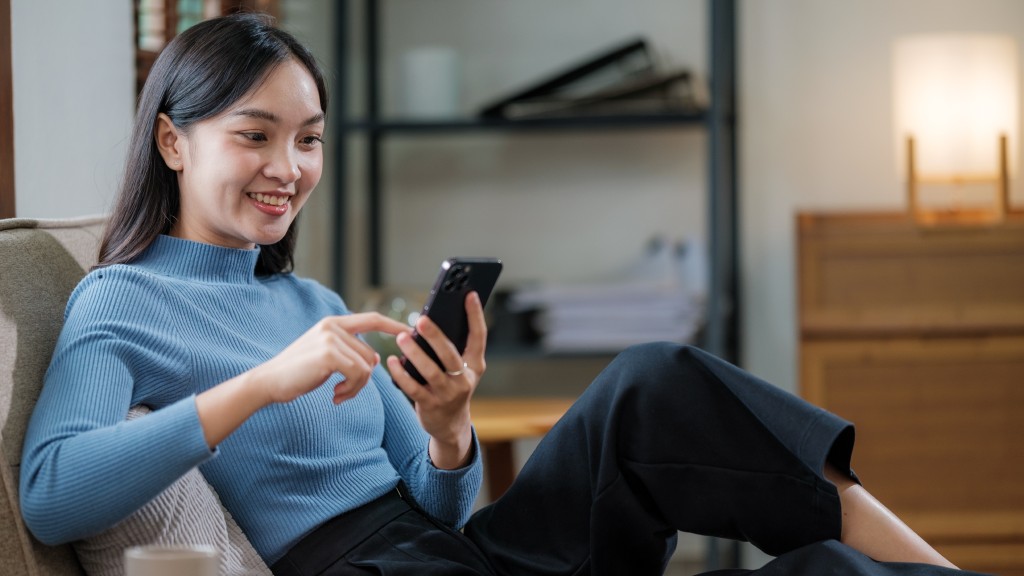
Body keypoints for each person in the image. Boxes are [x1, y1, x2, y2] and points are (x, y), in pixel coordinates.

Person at [18, 13, 984, 576]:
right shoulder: (120, 302)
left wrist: (447, 429)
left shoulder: (315, 302)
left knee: (655, 386)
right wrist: (260, 386)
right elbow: (54, 495)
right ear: (173, 141)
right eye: (255, 134)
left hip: (458, 558)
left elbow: (439, 509)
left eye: (308, 138)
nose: (289, 166)